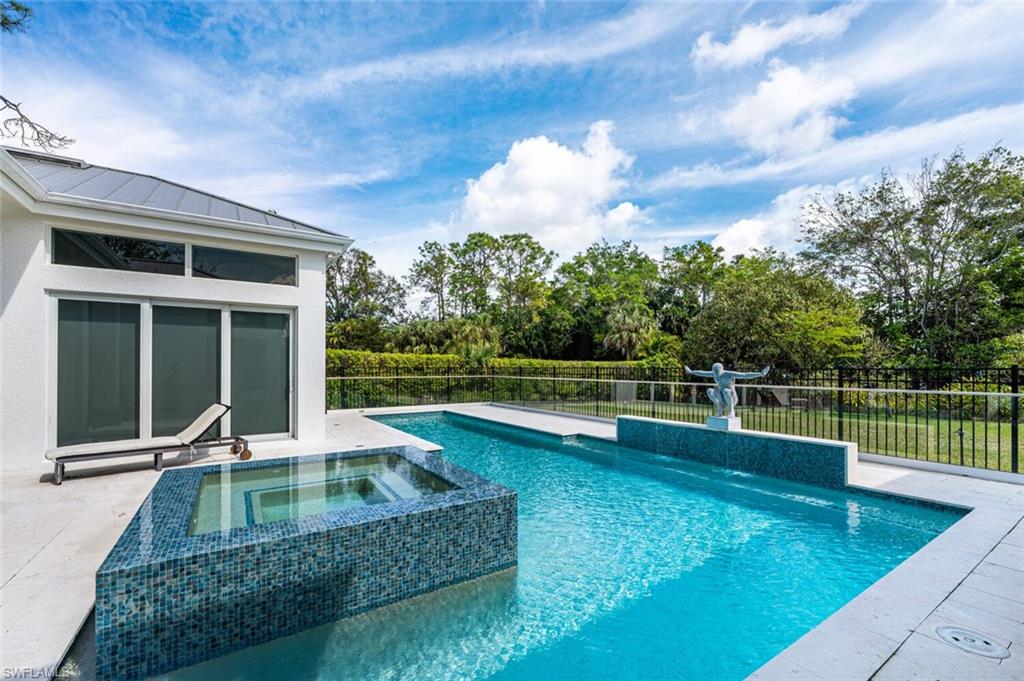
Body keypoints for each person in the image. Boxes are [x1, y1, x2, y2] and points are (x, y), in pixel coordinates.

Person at [684, 363, 770, 418]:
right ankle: (720, 407)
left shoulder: (729, 374)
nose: (716, 375)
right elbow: (702, 373)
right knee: (710, 391)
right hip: (721, 396)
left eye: (717, 372)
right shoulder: (713, 373)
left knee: (725, 390)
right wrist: (691, 372)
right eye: (714, 372)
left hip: (731, 397)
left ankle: (731, 410)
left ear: (721, 370)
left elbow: (745, 375)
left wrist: (760, 374)